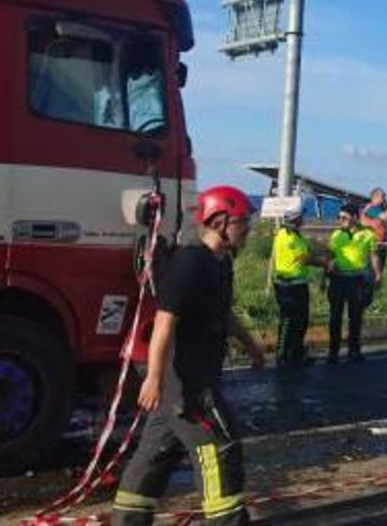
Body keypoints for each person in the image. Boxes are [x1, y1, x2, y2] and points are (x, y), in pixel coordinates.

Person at [112, 186, 264, 525]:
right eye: (242, 222)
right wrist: (153, 378)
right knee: (218, 446)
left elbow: (222, 314)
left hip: (188, 380)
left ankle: (128, 519)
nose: (248, 229)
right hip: (185, 381)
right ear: (219, 221)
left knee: (156, 453)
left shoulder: (220, 263)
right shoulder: (190, 262)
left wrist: (250, 344)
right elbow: (164, 323)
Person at [326, 203, 381, 364]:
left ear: (355, 218)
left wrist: (378, 274)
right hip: (338, 279)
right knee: (335, 317)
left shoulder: (367, 235)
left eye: (345, 217)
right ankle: (333, 352)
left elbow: (373, 255)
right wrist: (324, 278)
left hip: (357, 280)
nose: (341, 220)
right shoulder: (336, 234)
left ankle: (354, 350)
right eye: (340, 217)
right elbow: (330, 256)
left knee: (355, 317)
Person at [271, 207, 324, 368]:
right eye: (301, 217)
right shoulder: (290, 238)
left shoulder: (290, 234)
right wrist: (325, 263)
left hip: (296, 284)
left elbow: (309, 247)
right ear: (295, 220)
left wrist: (327, 251)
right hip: (290, 286)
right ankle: (282, 357)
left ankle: (295, 355)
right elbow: (304, 259)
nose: (304, 219)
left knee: (300, 321)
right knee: (288, 321)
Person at [361, 188, 387, 274]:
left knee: (379, 273)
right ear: (375, 197)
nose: (384, 199)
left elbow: (382, 223)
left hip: (380, 245)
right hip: (373, 247)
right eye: (383, 197)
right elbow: (384, 217)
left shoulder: (378, 209)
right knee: (373, 274)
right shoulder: (371, 208)